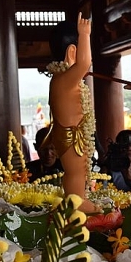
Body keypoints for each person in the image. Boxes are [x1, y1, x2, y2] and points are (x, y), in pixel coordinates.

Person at [47, 13, 97, 212]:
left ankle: (77, 198)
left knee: (76, 172)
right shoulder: (65, 79)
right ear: (72, 52)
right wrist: (85, 34)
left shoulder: (62, 79)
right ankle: (77, 202)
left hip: (71, 133)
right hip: (71, 134)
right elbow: (84, 63)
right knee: (75, 172)